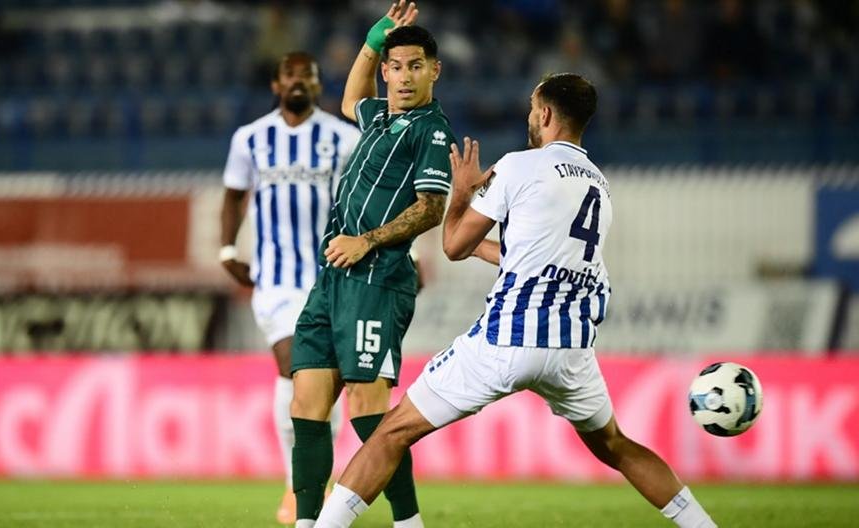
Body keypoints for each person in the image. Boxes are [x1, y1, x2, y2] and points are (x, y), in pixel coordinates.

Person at [315, 73, 718, 528]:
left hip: (508, 339)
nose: (529, 115)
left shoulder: (520, 166)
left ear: (544, 114)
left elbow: (453, 245)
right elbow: (525, 256)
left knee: (391, 432)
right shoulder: (599, 186)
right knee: (615, 445)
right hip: (571, 350)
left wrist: (461, 193)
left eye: (531, 107)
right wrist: (479, 243)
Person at [288, 1, 456, 527]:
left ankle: (408, 521)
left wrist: (367, 240)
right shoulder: (380, 116)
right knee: (306, 403)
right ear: (386, 71)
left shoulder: (431, 129)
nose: (404, 77)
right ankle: (307, 522)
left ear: (434, 70)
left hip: (378, 278)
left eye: (415, 66)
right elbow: (349, 100)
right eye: (396, 66)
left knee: (368, 410)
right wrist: (371, 42)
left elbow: (430, 209)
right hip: (333, 278)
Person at [218, 51, 361, 525]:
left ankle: (316, 481)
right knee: (293, 367)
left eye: (307, 76)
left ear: (318, 85)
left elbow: (368, 201)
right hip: (276, 280)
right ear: (276, 85)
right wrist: (226, 250)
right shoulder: (250, 138)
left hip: (330, 278)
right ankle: (295, 484)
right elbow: (233, 196)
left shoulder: (344, 138)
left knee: (323, 380)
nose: (298, 81)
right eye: (290, 75)